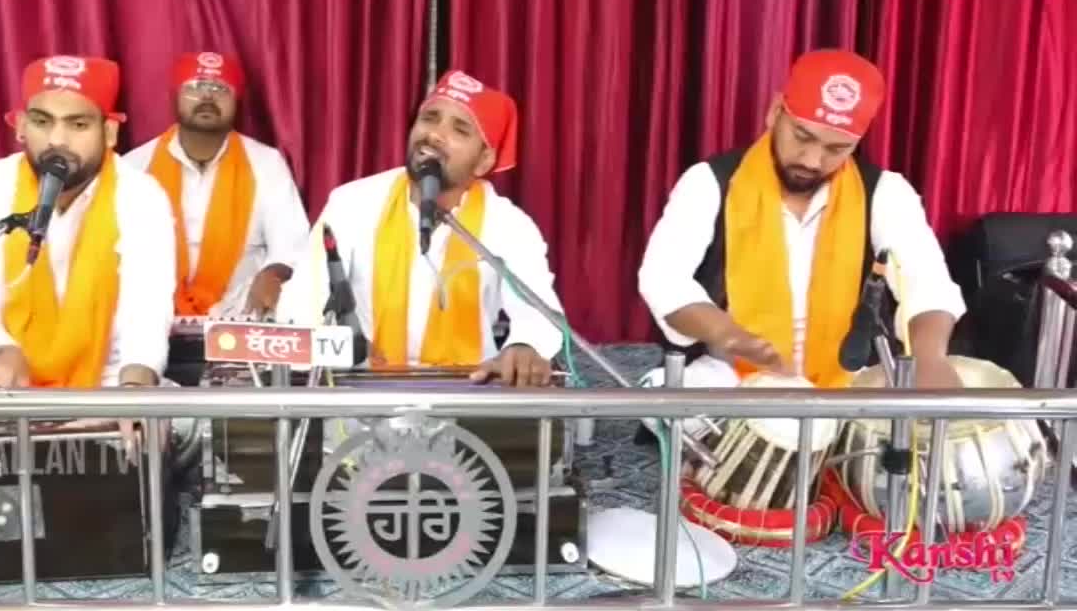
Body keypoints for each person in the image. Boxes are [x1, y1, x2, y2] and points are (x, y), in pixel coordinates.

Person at [638, 49, 966, 390]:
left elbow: (928, 286)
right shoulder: (709, 181)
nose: (812, 160)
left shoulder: (886, 192)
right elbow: (664, 278)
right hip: (728, 374)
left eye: (836, 149)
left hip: (846, 378)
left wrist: (930, 360)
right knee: (666, 400)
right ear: (776, 112)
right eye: (802, 137)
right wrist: (730, 335)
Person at [275, 70, 563, 387]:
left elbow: (539, 315)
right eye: (430, 118)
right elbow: (302, 301)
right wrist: (333, 350)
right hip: (360, 390)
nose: (435, 134)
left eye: (460, 129)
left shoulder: (509, 225)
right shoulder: (353, 202)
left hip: (469, 396)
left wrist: (525, 346)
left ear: (484, 161)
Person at [0, 55, 176, 390]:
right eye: (42, 122)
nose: (57, 139)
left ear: (110, 132)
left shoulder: (142, 196)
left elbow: (146, 312)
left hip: (108, 386)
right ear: (22, 127)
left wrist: (136, 383)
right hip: (8, 386)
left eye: (78, 124)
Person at [124, 52, 309, 319]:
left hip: (240, 317)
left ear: (236, 102)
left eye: (220, 89)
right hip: (150, 320)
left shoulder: (265, 163)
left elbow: (292, 245)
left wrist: (274, 274)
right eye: (195, 88)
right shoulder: (135, 166)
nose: (208, 98)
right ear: (175, 97)